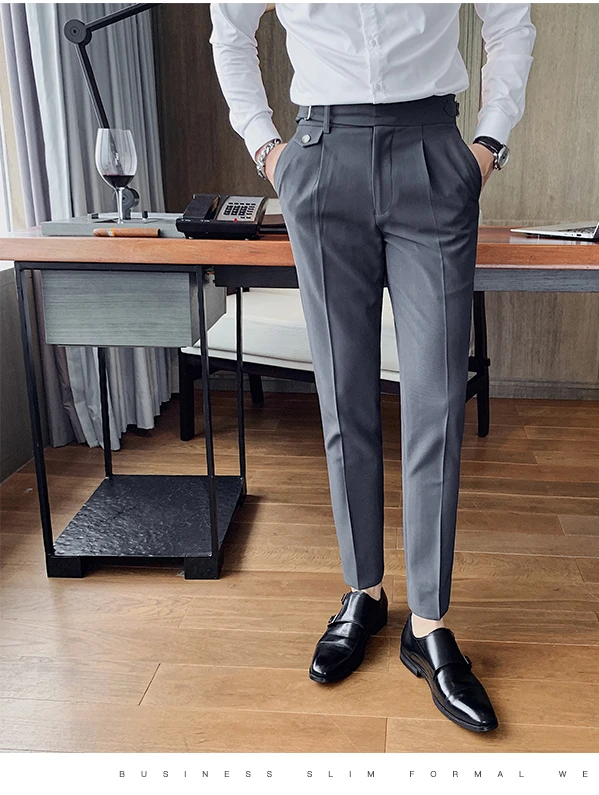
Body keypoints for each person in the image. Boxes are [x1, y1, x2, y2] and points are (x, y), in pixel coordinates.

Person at [210, 2, 535, 733]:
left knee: (436, 403)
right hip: (321, 157)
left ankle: (429, 622)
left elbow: (510, 22)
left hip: (433, 152)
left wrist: (488, 143)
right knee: (344, 397)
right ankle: (364, 591)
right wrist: (268, 149)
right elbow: (229, 30)